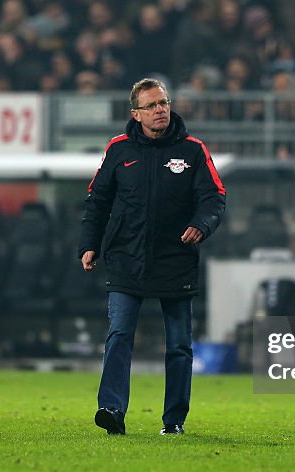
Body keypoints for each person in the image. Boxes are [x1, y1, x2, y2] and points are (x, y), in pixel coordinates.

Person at [79, 77, 225, 436]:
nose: (161, 109)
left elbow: (214, 198)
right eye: (152, 105)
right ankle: (111, 408)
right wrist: (88, 243)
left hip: (175, 258)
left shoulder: (192, 151)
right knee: (118, 335)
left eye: (164, 103)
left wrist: (201, 225)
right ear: (136, 113)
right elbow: (97, 201)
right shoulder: (119, 150)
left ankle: (173, 420)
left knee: (178, 345)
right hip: (126, 257)